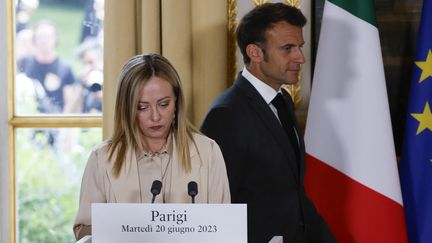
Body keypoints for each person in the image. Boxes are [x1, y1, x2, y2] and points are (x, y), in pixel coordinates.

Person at [200, 3, 335, 243]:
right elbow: (216, 208)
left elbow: (293, 194)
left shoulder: (282, 99)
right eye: (288, 48)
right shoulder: (226, 114)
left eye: (300, 47)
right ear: (255, 53)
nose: (300, 58)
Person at [73, 53, 231, 240]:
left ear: (177, 103)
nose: (155, 117)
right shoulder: (103, 158)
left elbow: (223, 230)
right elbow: (83, 231)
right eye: (142, 107)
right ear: (127, 108)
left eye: (164, 104)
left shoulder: (207, 152)